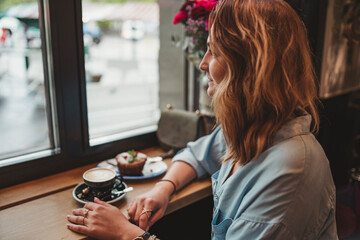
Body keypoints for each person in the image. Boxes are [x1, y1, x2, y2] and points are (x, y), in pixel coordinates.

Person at [67, 0, 338, 239]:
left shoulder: (288, 171)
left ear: (250, 67)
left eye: (216, 52)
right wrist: (163, 188)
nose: (203, 63)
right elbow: (197, 154)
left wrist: (127, 234)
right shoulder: (256, 128)